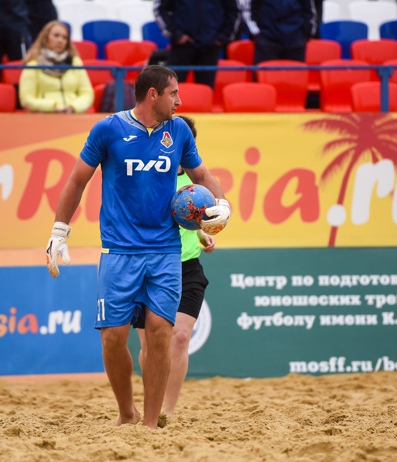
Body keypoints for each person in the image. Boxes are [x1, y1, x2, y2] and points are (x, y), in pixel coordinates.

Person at [45, 65, 231, 429]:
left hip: (164, 251)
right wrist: (58, 231)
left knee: (161, 334)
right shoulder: (108, 129)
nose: (180, 101)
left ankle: (149, 426)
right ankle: (126, 412)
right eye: (174, 93)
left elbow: (202, 177)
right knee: (113, 338)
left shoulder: (179, 131)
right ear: (153, 95)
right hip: (118, 251)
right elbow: (77, 180)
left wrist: (222, 204)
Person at [136, 115, 215, 418]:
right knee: (150, 345)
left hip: (187, 268)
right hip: (152, 266)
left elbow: (193, 220)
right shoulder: (150, 176)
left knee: (180, 338)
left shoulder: (197, 185)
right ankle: (151, 405)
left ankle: (167, 412)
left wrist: (202, 234)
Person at [154, 0, 241, 88]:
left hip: (211, 46)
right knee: (170, 88)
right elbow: (160, 9)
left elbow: (234, 10)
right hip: (182, 46)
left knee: (205, 90)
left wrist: (223, 37)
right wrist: (177, 35)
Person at [18, 20, 94, 113]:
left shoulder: (75, 62)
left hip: (73, 115)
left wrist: (73, 107)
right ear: (45, 38)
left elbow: (87, 93)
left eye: (64, 37)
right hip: (43, 116)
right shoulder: (33, 64)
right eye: (56, 36)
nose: (60, 40)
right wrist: (53, 107)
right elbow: (26, 99)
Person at [244, 0, 317, 64]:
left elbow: (310, 12)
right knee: (262, 75)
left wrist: (304, 35)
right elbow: (248, 11)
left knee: (295, 76)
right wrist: (256, 35)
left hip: (295, 43)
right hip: (266, 42)